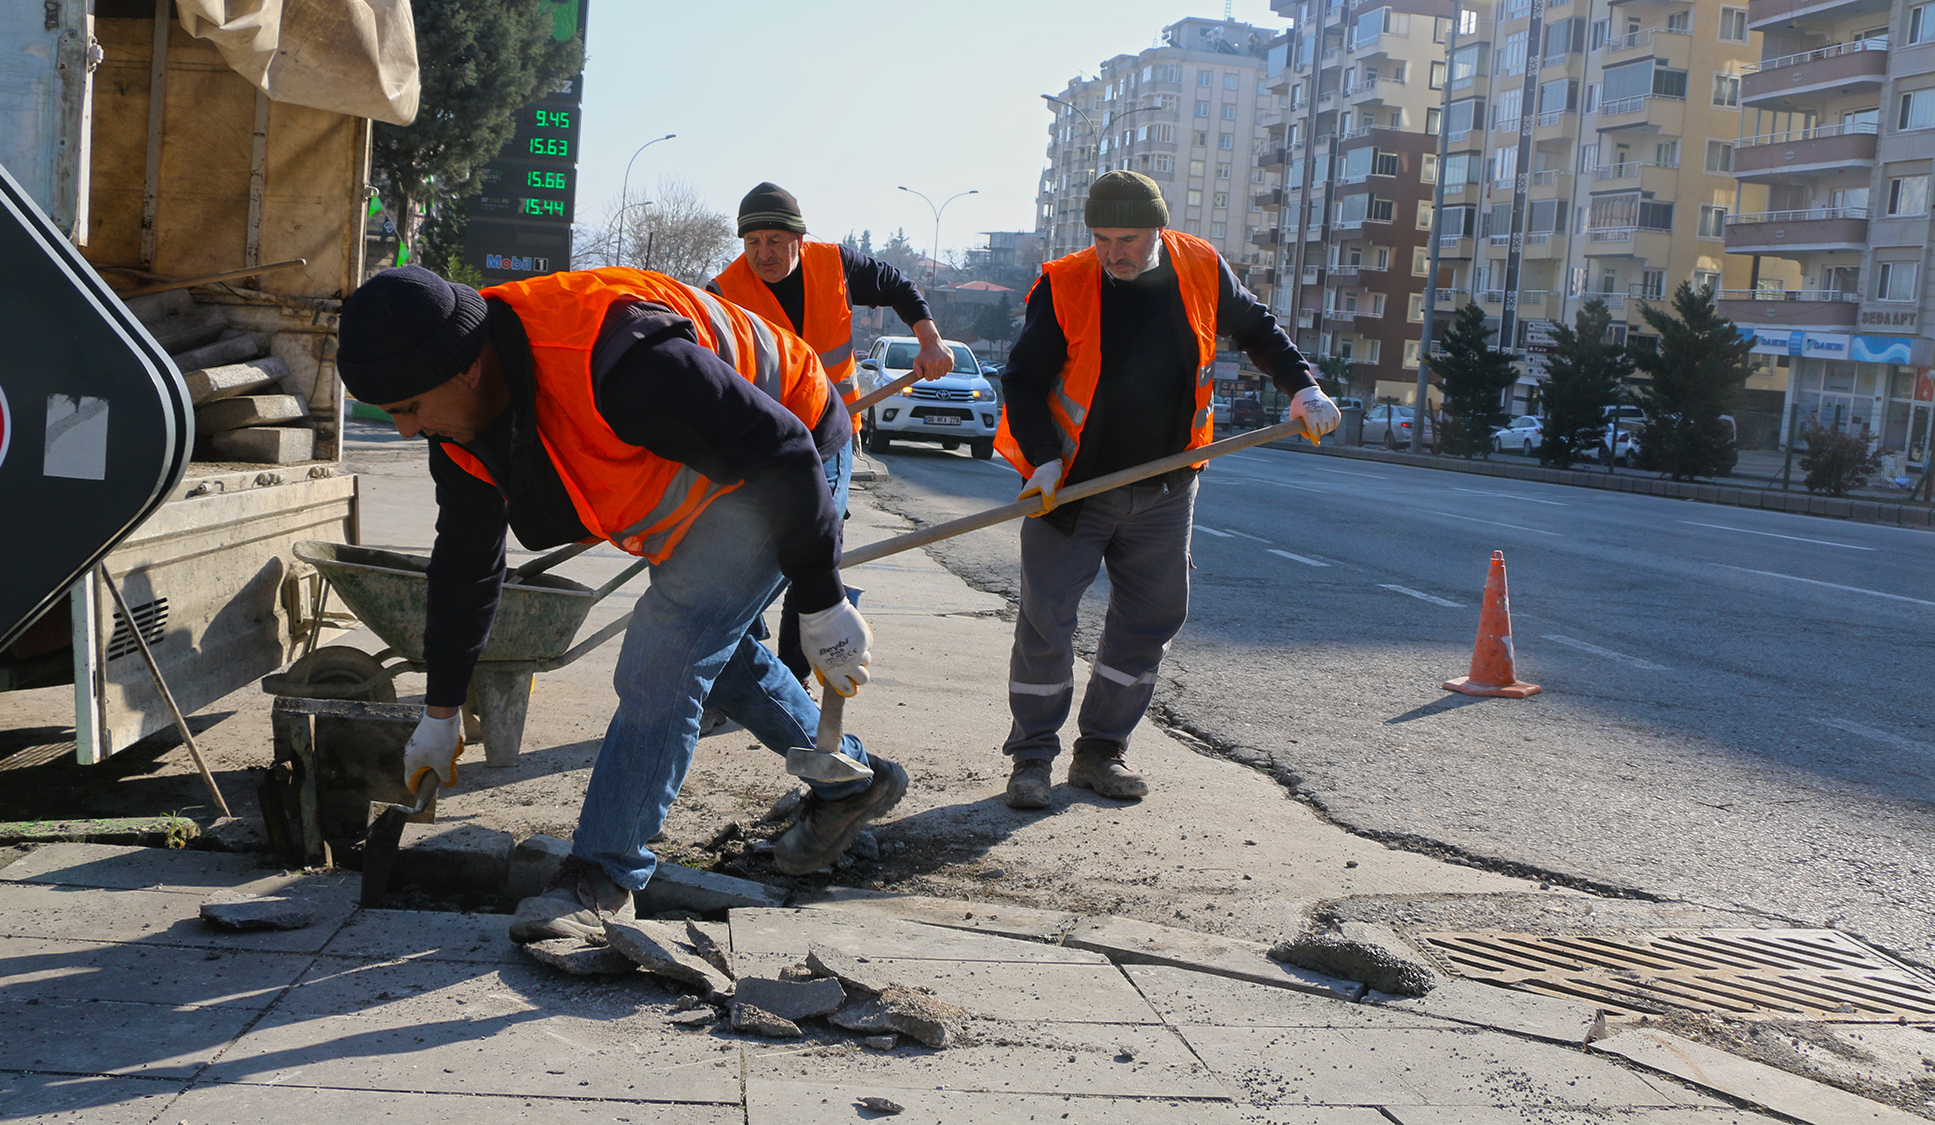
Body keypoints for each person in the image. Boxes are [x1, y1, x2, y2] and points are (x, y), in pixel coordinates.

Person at [334, 265, 909, 942]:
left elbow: (780, 450)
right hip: (706, 466)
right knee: (715, 656)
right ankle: (853, 783)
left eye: (409, 408)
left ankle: (601, 877)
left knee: (665, 651)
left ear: (468, 369)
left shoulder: (621, 363)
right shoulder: (457, 431)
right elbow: (465, 566)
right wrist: (439, 711)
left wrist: (822, 600)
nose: (404, 430)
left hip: (792, 451)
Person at [992, 170, 1341, 810]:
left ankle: (1100, 751)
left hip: (1167, 485)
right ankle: (1031, 760)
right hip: (1070, 491)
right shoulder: (1064, 283)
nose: (1112, 252)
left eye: (1126, 238)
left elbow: (1257, 328)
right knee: (1046, 623)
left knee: (1152, 616)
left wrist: (1301, 385)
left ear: (1159, 228)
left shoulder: (1200, 266)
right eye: (1100, 238)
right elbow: (1022, 380)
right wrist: (1041, 460)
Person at [708, 182, 952, 685]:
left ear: (799, 238)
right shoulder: (723, 293)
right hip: (761, 441)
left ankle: (794, 673)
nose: (763, 254)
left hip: (833, 430)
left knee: (816, 540)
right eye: (753, 243)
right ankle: (747, 673)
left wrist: (929, 339)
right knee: (743, 547)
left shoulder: (835, 265)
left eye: (775, 241)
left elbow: (900, 287)